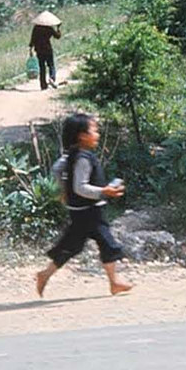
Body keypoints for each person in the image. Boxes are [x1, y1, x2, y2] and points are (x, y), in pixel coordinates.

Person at [36, 112, 133, 297]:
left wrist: (63, 190)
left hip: (81, 211)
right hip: (89, 212)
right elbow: (80, 187)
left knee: (72, 246)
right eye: (94, 130)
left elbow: (57, 169)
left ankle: (45, 274)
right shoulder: (82, 158)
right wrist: (104, 191)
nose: (97, 134)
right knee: (107, 242)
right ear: (82, 135)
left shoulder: (73, 155)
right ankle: (114, 282)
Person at [29, 15, 62, 90]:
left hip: (39, 50)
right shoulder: (49, 28)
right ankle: (52, 78)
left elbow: (32, 39)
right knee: (51, 65)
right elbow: (58, 36)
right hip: (48, 49)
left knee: (42, 67)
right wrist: (58, 28)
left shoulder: (36, 28)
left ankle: (43, 85)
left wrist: (30, 49)